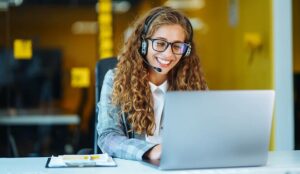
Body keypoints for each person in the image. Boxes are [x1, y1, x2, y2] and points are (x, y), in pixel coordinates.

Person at [97, 6, 208, 161]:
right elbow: (108, 138)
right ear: (143, 44)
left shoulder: (193, 83)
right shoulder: (115, 79)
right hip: (136, 166)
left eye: (177, 46)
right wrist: (151, 151)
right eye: (160, 44)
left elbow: (205, 134)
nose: (168, 54)